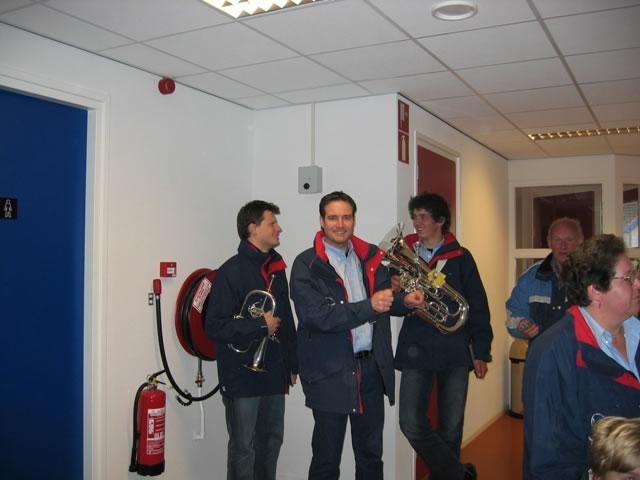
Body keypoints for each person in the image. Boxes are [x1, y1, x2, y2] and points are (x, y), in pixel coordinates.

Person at [289, 191, 424, 480]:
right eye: (333, 218)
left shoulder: (370, 256)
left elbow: (383, 302)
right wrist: (370, 306)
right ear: (322, 221)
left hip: (371, 370)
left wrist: (404, 301)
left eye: (346, 217)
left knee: (371, 457)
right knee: (326, 461)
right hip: (329, 373)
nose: (340, 224)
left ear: (354, 219)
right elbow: (317, 317)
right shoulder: (305, 265)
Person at [523, 234, 640, 480]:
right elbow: (547, 460)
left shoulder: (636, 332)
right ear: (596, 291)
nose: (638, 283)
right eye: (628, 278)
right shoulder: (552, 352)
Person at [393, 192, 493, 480]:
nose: (417, 222)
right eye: (414, 216)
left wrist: (481, 351)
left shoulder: (461, 257)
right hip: (416, 349)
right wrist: (400, 294)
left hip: (454, 349)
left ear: (440, 220)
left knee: (451, 428)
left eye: (423, 216)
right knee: (410, 422)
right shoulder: (403, 257)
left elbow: (477, 306)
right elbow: (391, 306)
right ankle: (460, 475)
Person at [205, 200, 298, 480]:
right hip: (241, 375)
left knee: (271, 442)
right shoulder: (230, 272)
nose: (279, 228)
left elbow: (286, 317)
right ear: (253, 228)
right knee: (243, 447)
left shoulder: (277, 268)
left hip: (274, 370)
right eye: (272, 223)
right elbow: (214, 326)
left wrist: (293, 362)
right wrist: (259, 325)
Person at [506, 217, 584, 339]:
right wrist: (521, 325)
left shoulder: (591, 276)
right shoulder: (531, 278)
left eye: (569, 240)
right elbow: (513, 315)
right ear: (549, 242)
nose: (563, 246)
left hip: (580, 350)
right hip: (541, 350)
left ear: (580, 241)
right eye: (557, 240)